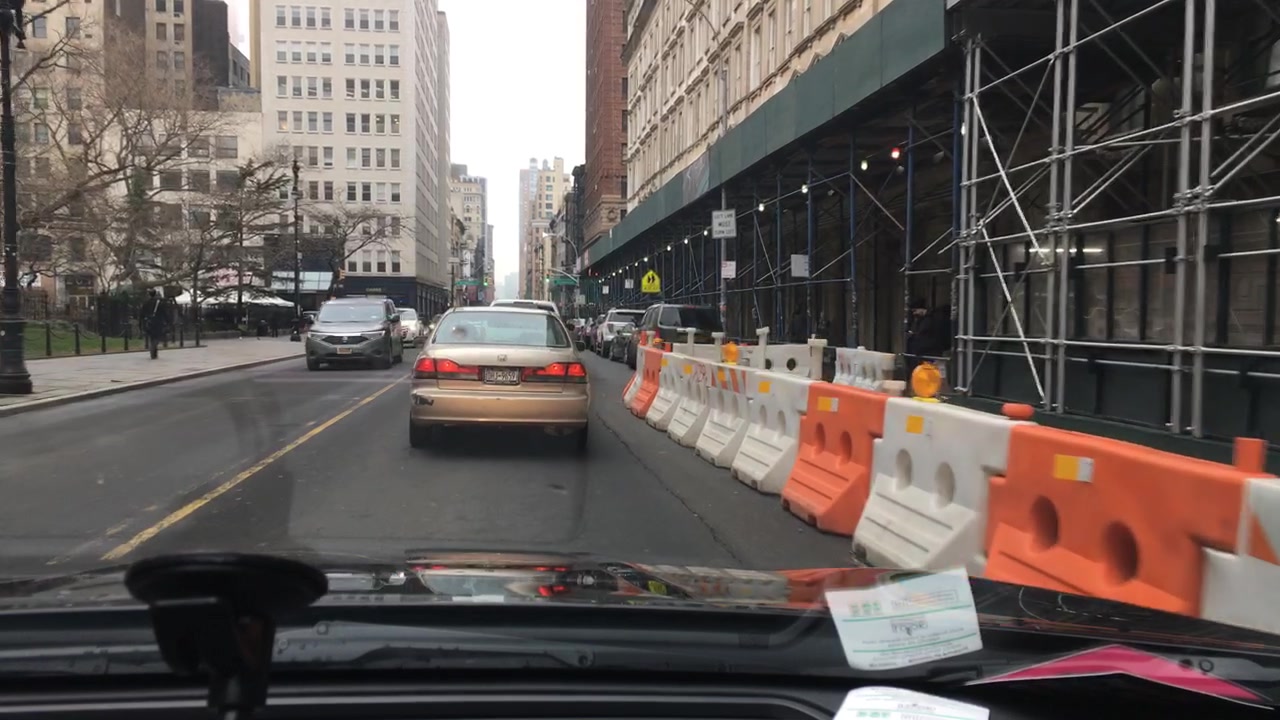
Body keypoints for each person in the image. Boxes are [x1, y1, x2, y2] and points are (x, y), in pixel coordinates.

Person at [905, 297, 948, 383]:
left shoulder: (932, 320)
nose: (914, 313)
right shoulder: (921, 320)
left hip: (929, 353)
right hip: (923, 352)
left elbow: (931, 336)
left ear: (921, 309)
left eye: (915, 310)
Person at [139, 289, 167, 360]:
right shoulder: (159, 303)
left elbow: (142, 314)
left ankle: (153, 351)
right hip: (157, 322)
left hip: (149, 322)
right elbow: (164, 313)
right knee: (157, 337)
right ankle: (153, 349)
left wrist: (141, 322)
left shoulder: (146, 303)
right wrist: (167, 321)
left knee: (152, 337)